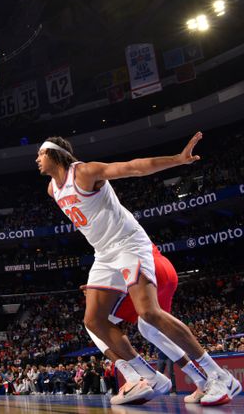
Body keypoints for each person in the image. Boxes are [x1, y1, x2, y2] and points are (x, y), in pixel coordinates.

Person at [37, 134, 241, 406]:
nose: (37, 159)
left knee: (149, 314)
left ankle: (218, 375)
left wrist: (178, 160)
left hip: (128, 243)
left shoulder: (84, 172)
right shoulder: (53, 189)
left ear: (54, 155)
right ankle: (147, 376)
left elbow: (133, 166)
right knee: (93, 320)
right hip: (103, 253)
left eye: (41, 154)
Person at [82, 243, 208, 403]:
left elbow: (115, 262)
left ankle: (133, 377)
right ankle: (202, 380)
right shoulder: (126, 225)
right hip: (163, 266)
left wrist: (95, 289)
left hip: (139, 268)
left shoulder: (102, 231)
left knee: (94, 322)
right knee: (151, 329)